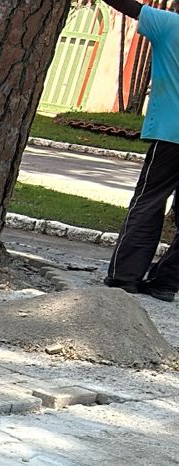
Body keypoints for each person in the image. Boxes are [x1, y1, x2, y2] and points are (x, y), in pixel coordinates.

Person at [104, 0, 179, 302]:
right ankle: (166, 283)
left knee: (149, 200)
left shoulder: (170, 24)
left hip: (172, 134)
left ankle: (125, 277)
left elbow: (126, 5)